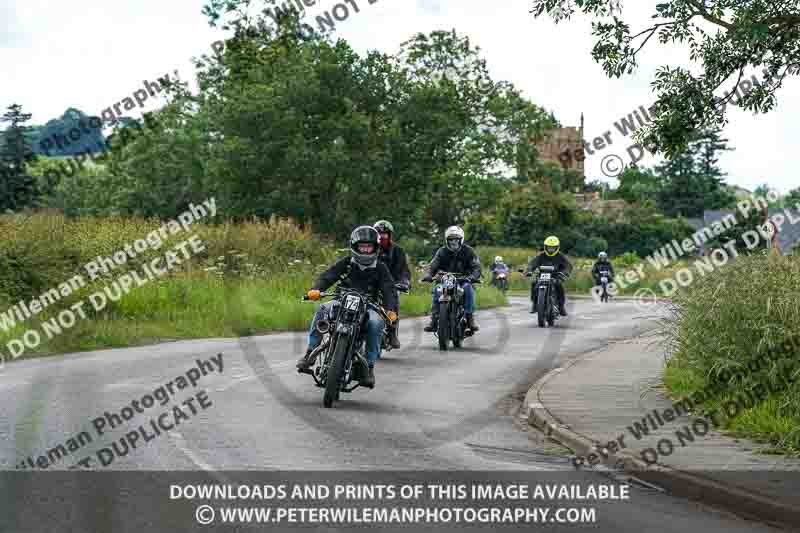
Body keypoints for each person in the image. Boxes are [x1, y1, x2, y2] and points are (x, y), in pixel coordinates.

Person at [297, 226, 398, 387]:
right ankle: (310, 354)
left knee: (377, 323)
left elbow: (389, 289)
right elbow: (328, 276)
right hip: (340, 301)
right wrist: (316, 290)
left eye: (369, 247)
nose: (365, 250)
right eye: (362, 247)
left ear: (376, 248)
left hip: (368, 306)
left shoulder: (380, 268)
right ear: (354, 246)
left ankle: (369, 367)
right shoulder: (347, 263)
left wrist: (390, 309)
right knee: (323, 309)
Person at [421, 226, 481, 332]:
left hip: (464, 280)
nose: (453, 241)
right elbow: (433, 265)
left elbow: (476, 266)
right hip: (445, 280)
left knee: (468, 289)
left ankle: (469, 317)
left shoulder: (468, 251)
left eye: (456, 239)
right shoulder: (442, 251)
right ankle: (434, 319)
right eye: (451, 239)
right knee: (437, 290)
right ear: (447, 240)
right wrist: (429, 275)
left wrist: (473, 277)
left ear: (461, 239)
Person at [373, 220, 411, 349]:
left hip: (392, 285)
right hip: (371, 284)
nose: (382, 237)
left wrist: (404, 282)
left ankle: (392, 331)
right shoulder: (369, 248)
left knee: (394, 299)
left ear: (390, 235)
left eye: (385, 234)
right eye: (379, 234)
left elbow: (404, 271)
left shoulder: (398, 251)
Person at [524, 236, 573, 316]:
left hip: (556, 275)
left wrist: (564, 273)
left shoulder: (560, 256)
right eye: (549, 247)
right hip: (542, 275)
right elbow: (532, 263)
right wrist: (529, 270)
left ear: (557, 247)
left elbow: (568, 266)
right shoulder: (541, 255)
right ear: (545, 247)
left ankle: (561, 307)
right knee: (534, 283)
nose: (550, 249)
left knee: (559, 286)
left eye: (553, 248)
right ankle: (535, 304)